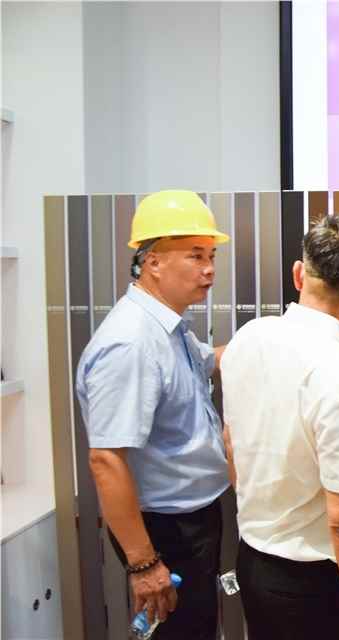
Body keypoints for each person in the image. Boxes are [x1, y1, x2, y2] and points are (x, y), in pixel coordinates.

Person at [220, 215, 339, 640]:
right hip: (313, 585)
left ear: (299, 274)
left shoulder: (247, 339)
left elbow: (231, 445)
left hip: (253, 562)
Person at [76, 190, 230, 639]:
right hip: (166, 531)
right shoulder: (131, 342)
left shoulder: (167, 328)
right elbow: (106, 459)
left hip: (191, 521)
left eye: (211, 256)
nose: (209, 269)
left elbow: (208, 361)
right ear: (153, 262)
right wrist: (144, 564)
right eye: (195, 255)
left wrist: (278, 337)